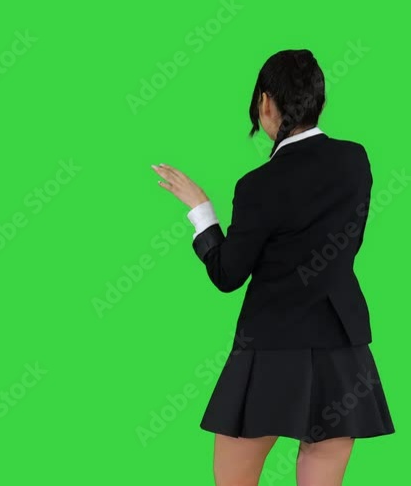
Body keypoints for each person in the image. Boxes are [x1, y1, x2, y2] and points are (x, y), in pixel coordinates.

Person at [151, 49, 394, 485]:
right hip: (341, 349)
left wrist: (201, 210)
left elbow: (227, 275)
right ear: (319, 100)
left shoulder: (258, 186)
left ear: (265, 102)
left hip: (269, 349)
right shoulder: (355, 161)